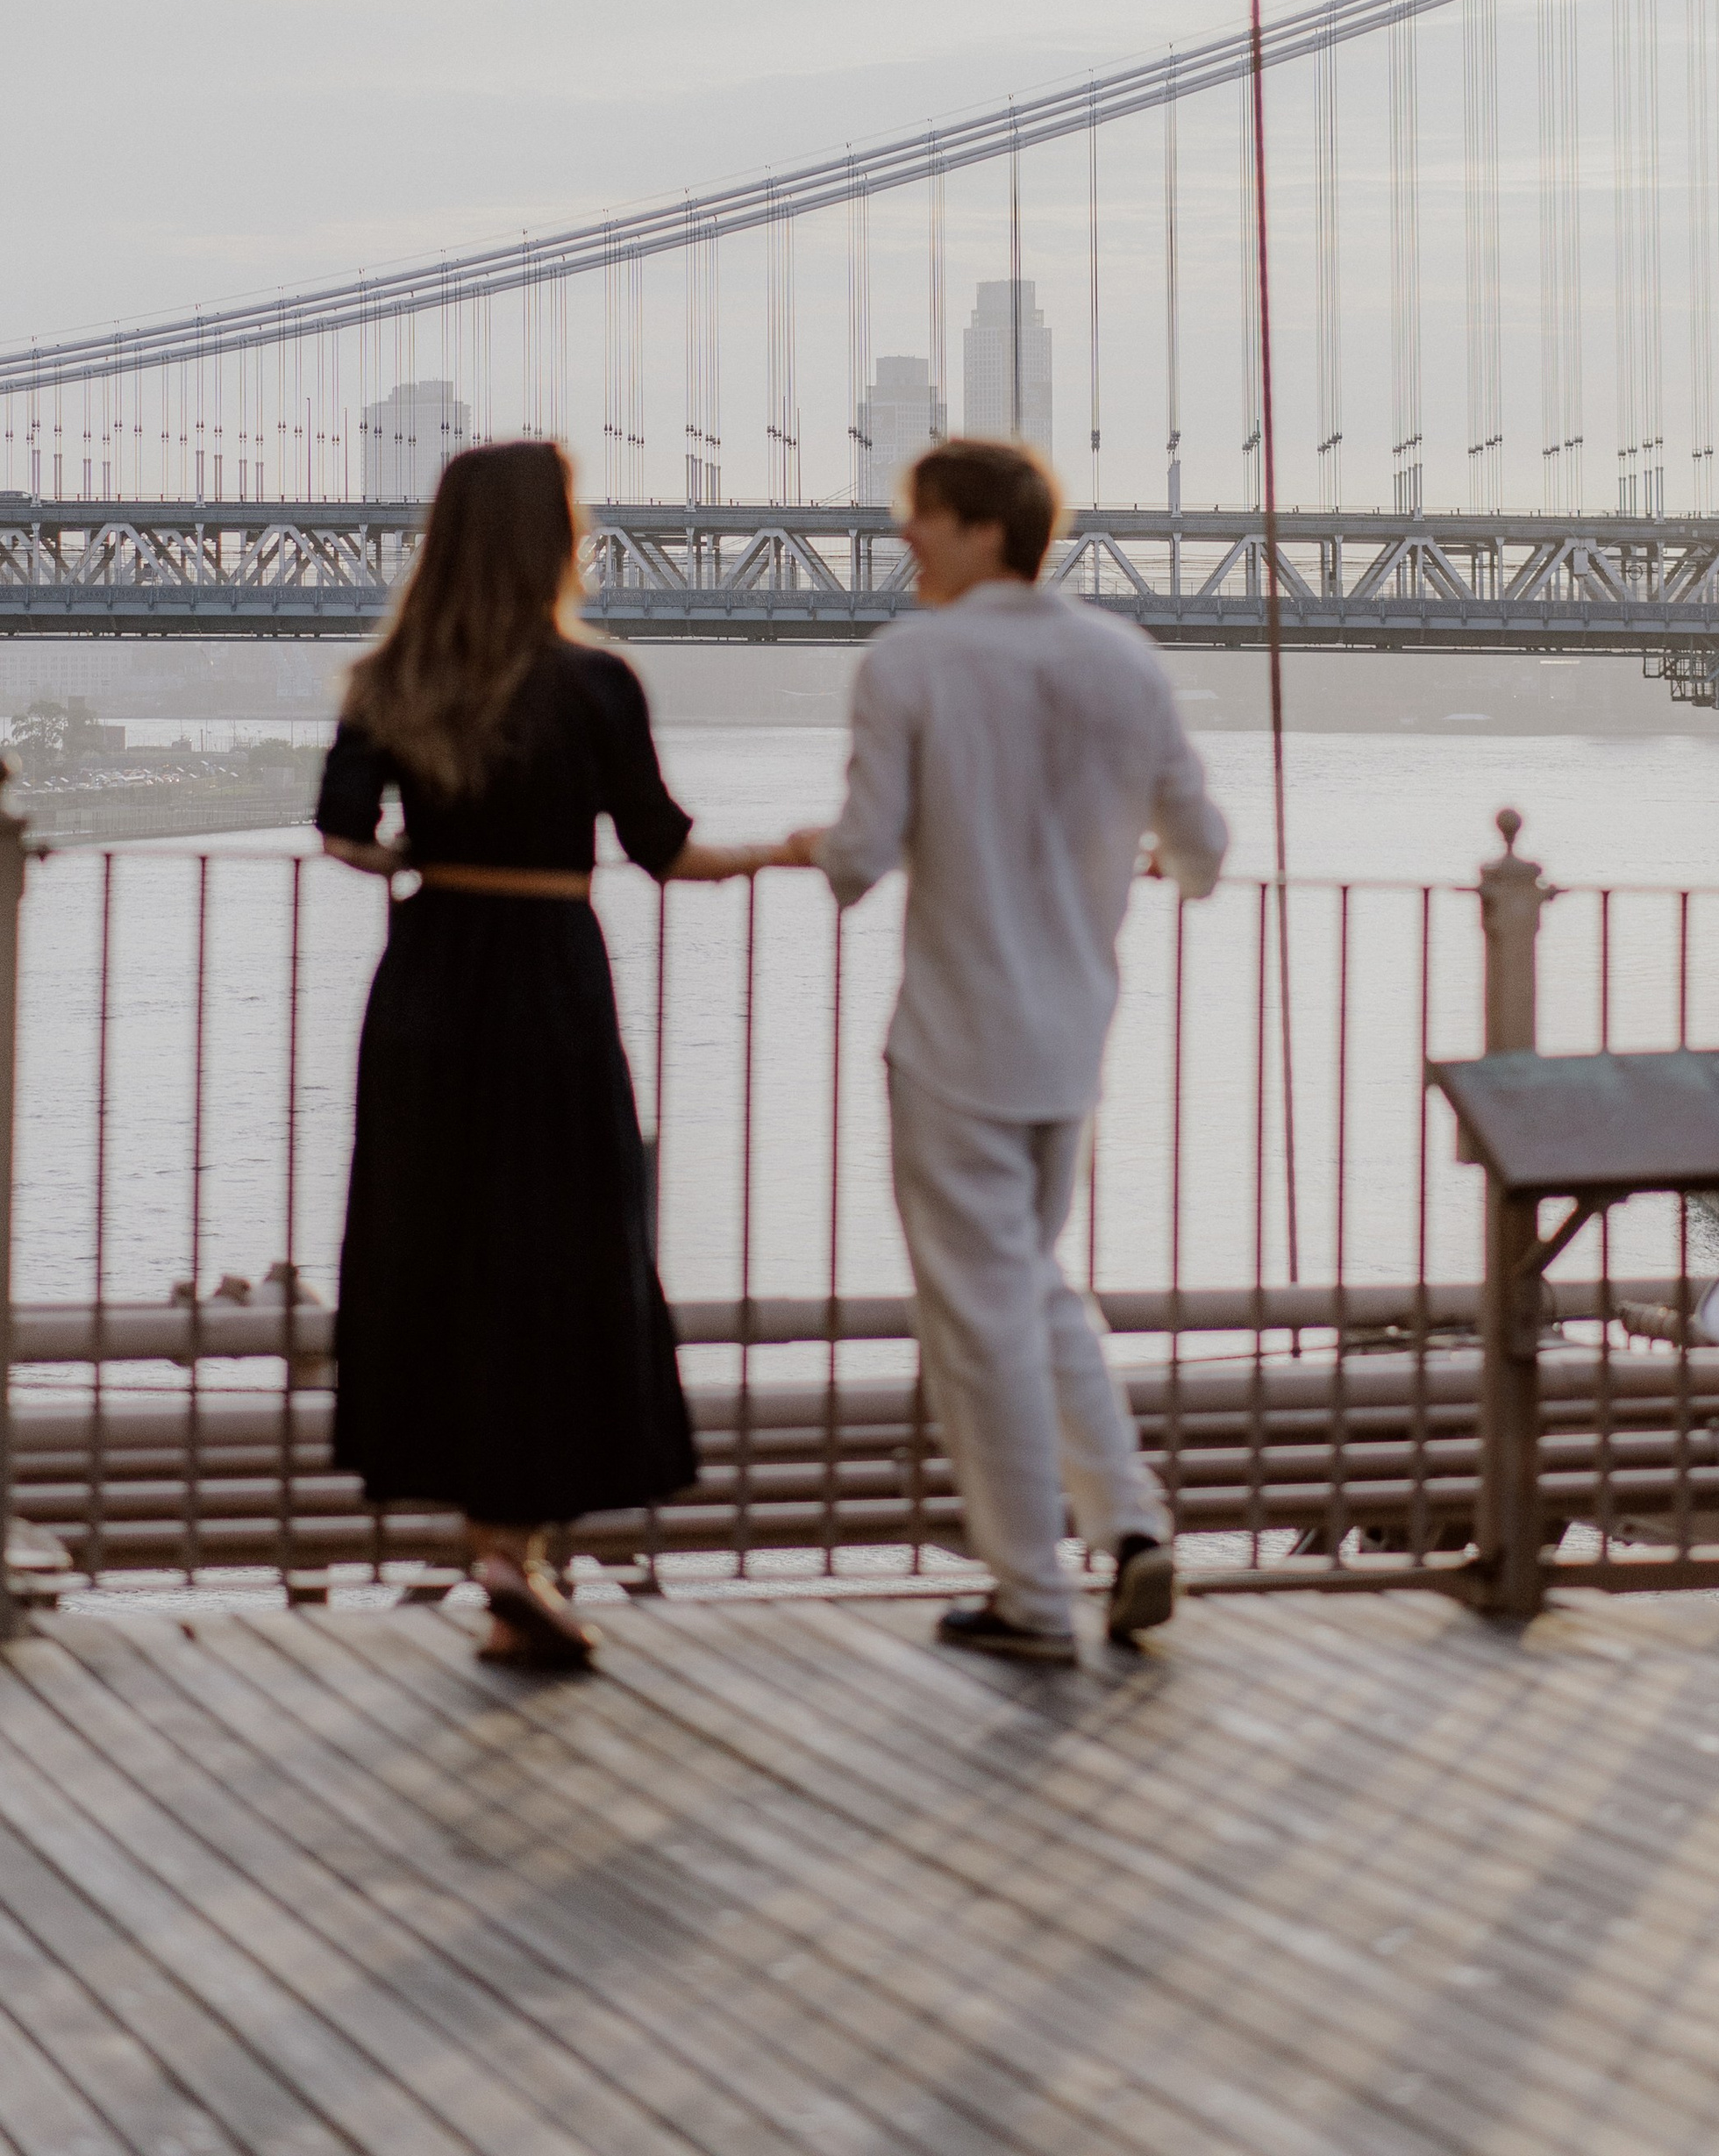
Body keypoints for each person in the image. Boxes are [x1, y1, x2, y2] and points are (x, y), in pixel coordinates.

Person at [758, 439, 1228, 1661]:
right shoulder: (1123, 655)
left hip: (957, 1039)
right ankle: (1129, 1526)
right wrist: (1131, 862)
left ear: (978, 530)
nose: (903, 537)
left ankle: (1029, 1593)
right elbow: (1204, 847)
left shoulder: (912, 658)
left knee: (978, 1313)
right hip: (1074, 1033)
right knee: (1030, 1279)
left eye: (920, 517)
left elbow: (862, 856)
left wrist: (800, 841)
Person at [316, 439, 762, 1669]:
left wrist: (423, 861)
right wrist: (792, 849)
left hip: (429, 982)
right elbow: (664, 848)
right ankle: (520, 1549)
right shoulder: (596, 681)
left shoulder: (390, 675)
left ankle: (497, 1550)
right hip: (552, 982)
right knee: (562, 1248)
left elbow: (344, 831)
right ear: (554, 539)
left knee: (439, 1243)